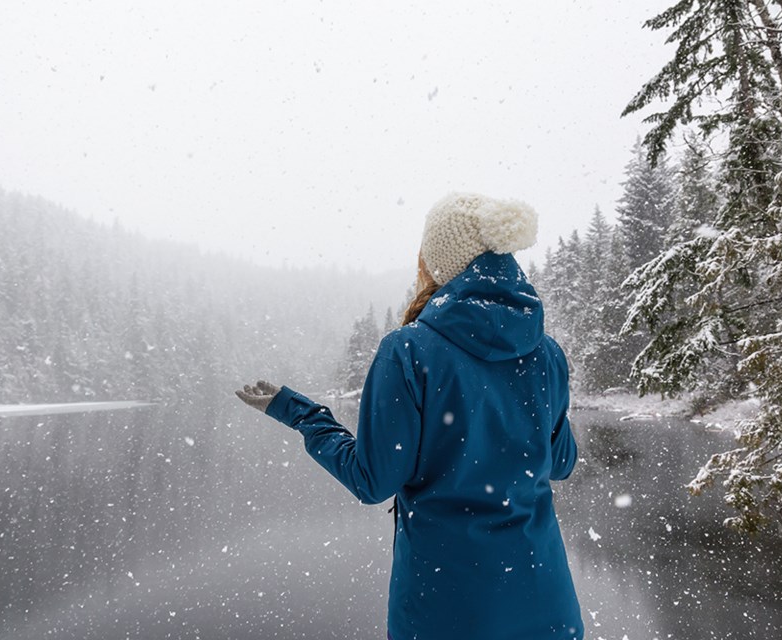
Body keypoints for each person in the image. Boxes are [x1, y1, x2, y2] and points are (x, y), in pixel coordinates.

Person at [236, 192, 583, 640]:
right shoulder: (546, 353)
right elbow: (562, 462)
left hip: (448, 611)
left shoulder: (408, 351)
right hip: (547, 603)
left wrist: (302, 415)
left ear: (441, 260)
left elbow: (372, 480)